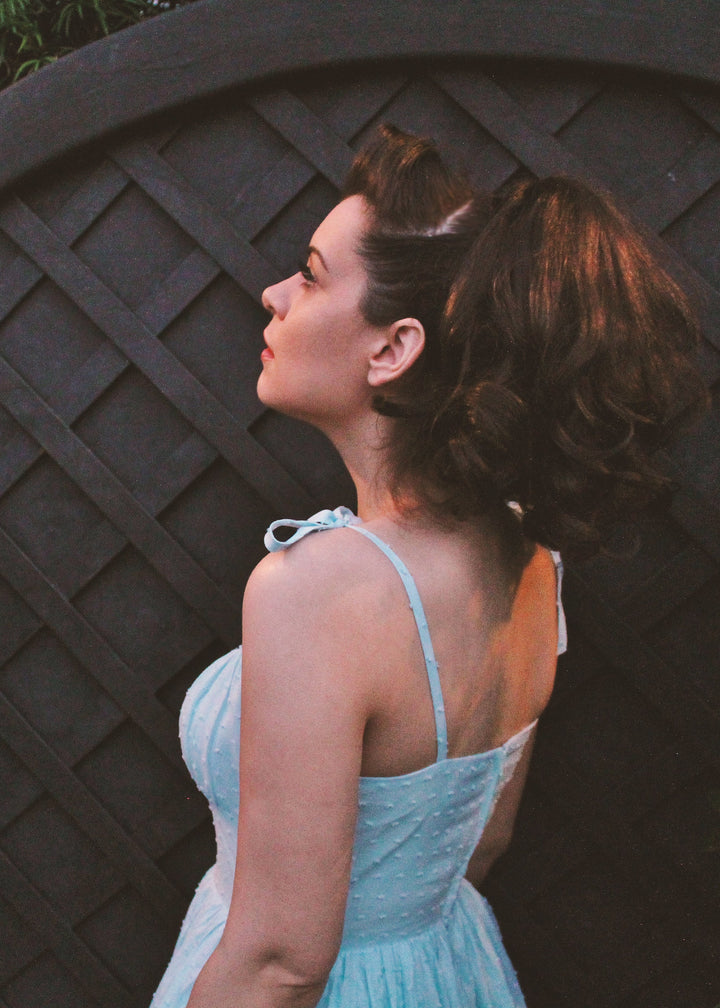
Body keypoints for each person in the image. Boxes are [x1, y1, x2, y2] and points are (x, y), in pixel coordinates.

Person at [150, 125, 705, 1008]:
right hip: (446, 965)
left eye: (311, 274)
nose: (274, 294)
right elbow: (481, 840)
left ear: (391, 350)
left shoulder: (318, 590)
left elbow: (281, 964)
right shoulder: (528, 552)